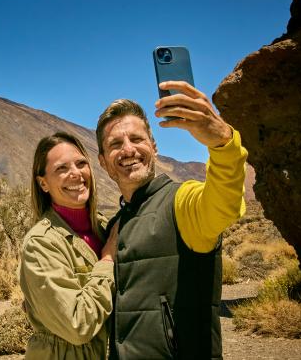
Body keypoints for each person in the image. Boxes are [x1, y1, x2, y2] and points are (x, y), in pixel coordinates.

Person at [96, 81, 248, 360]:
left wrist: (222, 143)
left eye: (137, 139)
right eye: (115, 144)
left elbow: (222, 204)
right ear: (103, 162)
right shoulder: (115, 223)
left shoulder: (181, 202)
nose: (128, 150)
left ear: (153, 147)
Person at [19, 132, 120, 360]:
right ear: (43, 183)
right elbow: (77, 326)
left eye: (81, 163)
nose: (76, 173)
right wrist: (107, 261)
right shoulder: (41, 243)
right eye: (61, 169)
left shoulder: (106, 228)